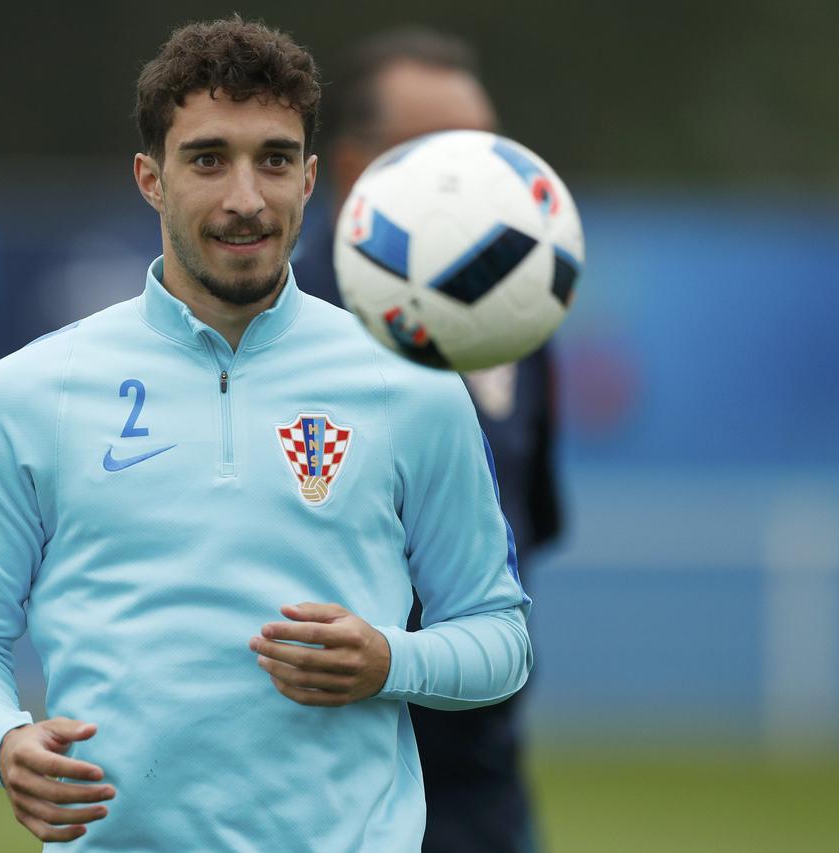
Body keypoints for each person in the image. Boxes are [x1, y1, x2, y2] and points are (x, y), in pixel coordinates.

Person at [0, 17, 531, 852]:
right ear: (151, 179)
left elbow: (498, 635)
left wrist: (392, 662)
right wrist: (2, 739)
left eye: (273, 160)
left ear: (309, 178)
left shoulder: (410, 381)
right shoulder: (28, 392)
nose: (246, 197)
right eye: (208, 159)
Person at [291, 29, 562, 853]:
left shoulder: (518, 320)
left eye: (492, 153)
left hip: (477, 781)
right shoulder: (277, 332)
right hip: (314, 778)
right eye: (448, 158)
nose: (483, 180)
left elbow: (525, 529)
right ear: (354, 169)